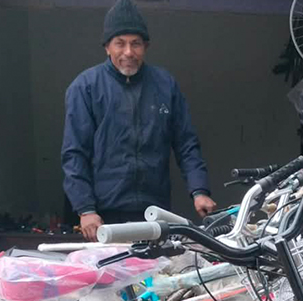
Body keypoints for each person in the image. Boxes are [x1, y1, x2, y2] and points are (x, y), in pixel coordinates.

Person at [62, 0, 217, 241]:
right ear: (107, 47)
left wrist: (199, 190)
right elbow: (75, 154)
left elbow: (186, 143)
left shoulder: (165, 85)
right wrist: (85, 209)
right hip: (104, 214)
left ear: (146, 46)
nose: (128, 52)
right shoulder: (86, 87)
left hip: (155, 212)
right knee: (113, 267)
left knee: (156, 266)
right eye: (120, 43)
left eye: (135, 43)